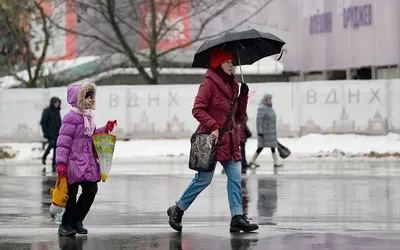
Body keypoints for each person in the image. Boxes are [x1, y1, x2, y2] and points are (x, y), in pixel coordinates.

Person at [167, 48, 259, 233]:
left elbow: (238, 115)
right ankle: (177, 209)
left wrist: (244, 96)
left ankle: (237, 217)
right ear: (218, 63)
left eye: (232, 62)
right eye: (228, 62)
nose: (232, 65)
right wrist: (214, 125)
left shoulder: (234, 86)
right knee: (203, 179)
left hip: (230, 140)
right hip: (211, 138)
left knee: (234, 177)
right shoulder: (208, 85)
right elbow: (197, 109)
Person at [55, 82, 117, 236]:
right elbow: (63, 142)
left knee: (91, 190)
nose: (90, 100)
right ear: (77, 98)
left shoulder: (88, 116)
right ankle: (65, 225)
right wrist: (61, 163)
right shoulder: (70, 117)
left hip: (86, 161)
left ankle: (77, 220)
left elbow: (93, 135)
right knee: (71, 194)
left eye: (91, 97)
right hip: (72, 162)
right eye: (86, 97)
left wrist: (106, 129)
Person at [248, 93, 283, 168]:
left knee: (271, 146)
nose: (270, 101)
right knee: (262, 147)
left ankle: (275, 161)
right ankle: (253, 160)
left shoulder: (270, 108)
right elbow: (259, 121)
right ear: (265, 100)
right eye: (268, 99)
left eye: (270, 99)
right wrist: (260, 131)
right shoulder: (262, 108)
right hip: (264, 133)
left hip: (270, 132)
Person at [40, 97, 62, 172]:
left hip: (57, 133)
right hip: (50, 133)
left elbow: (59, 122)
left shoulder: (57, 111)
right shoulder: (47, 111)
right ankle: (52, 162)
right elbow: (43, 122)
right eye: (56, 103)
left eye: (58, 103)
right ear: (52, 103)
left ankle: (47, 159)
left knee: (54, 146)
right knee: (53, 145)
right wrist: (45, 133)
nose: (57, 104)